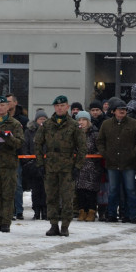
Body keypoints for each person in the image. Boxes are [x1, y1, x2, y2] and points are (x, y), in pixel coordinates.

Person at [35, 95, 87, 237]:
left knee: (67, 198)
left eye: (62, 105)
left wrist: (78, 166)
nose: (59, 108)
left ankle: (65, 226)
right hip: (50, 166)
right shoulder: (47, 125)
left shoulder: (74, 125)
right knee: (51, 197)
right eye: (57, 106)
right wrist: (40, 163)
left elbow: (82, 147)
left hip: (67, 167)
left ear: (67, 107)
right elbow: (38, 144)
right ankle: (53, 225)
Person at [96, 97, 136, 223]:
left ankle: (132, 215)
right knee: (112, 190)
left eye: (124, 109)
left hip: (129, 163)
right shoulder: (106, 124)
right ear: (113, 111)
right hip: (112, 163)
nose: (122, 111)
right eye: (120, 109)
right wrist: (105, 154)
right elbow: (100, 141)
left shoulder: (134, 123)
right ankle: (111, 214)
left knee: (130, 190)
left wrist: (133, 154)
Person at [0, 95, 25, 232]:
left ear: (7, 107)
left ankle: (5, 222)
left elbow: (20, 143)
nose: (0, 108)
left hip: (8, 164)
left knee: (8, 194)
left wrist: (8, 138)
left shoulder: (14, 124)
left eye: (3, 105)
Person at [75, 111, 101, 222]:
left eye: (83, 120)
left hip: (92, 166)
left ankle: (91, 211)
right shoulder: (75, 134)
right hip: (79, 165)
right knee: (80, 190)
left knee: (90, 191)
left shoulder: (95, 134)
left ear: (88, 121)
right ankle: (82, 211)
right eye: (79, 120)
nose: (81, 122)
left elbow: (100, 148)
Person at [23, 109, 48, 221]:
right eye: (40, 119)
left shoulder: (49, 131)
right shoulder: (29, 132)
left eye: (44, 119)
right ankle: (36, 211)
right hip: (33, 165)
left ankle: (45, 210)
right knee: (36, 190)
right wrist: (29, 162)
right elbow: (25, 147)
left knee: (46, 190)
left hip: (47, 165)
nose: (42, 121)